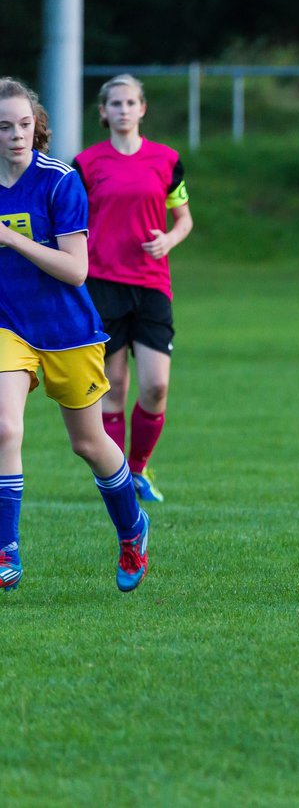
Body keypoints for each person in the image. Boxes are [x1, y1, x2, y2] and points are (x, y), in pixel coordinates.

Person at [0, 77, 151, 592]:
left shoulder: (60, 181)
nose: (16, 135)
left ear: (36, 126)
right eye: (4, 127)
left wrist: (10, 240)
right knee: (4, 427)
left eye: (24, 124)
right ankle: (6, 550)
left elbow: (76, 270)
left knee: (89, 444)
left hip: (68, 330)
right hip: (8, 327)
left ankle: (132, 531)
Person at [74, 74, 193, 502]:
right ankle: (118, 475)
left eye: (130, 103)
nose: (123, 110)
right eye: (115, 104)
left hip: (151, 285)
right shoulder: (85, 165)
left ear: (143, 109)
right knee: (115, 387)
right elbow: (71, 222)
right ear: (103, 113)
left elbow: (184, 220)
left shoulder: (165, 159)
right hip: (101, 284)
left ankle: (139, 469)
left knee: (156, 386)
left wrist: (168, 240)